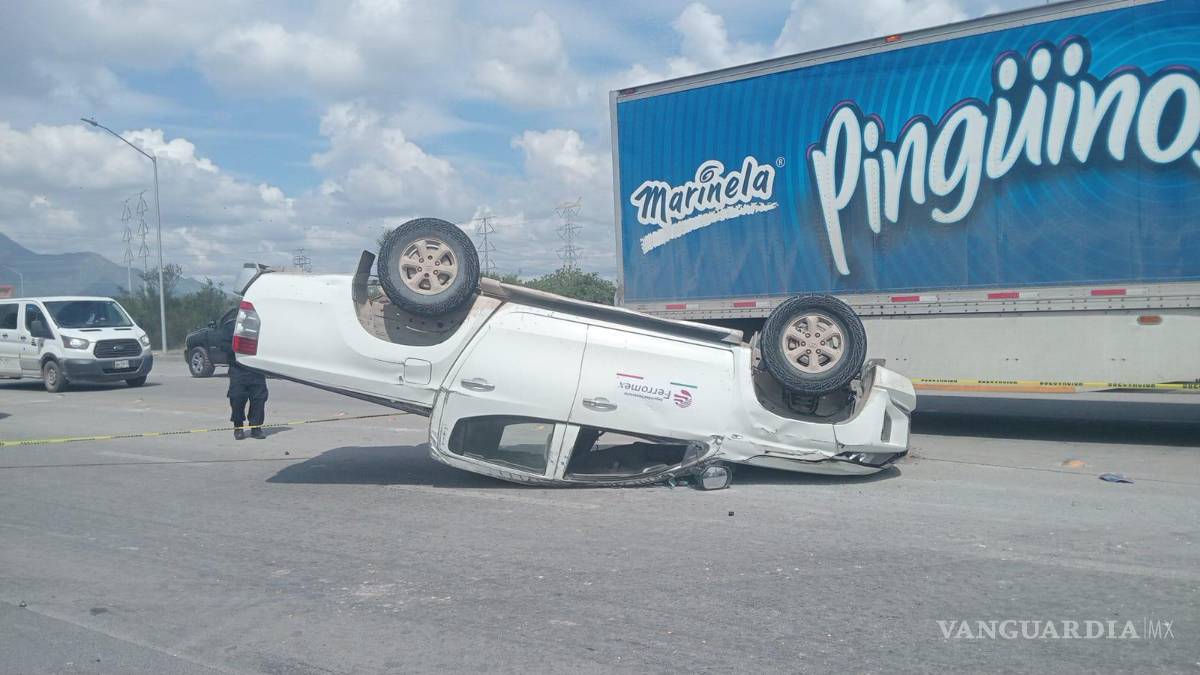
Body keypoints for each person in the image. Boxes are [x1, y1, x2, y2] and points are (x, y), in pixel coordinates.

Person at [221, 312, 268, 440]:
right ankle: (238, 427)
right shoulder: (231, 326)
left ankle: (256, 428)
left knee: (259, 399)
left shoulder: (261, 326)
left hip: (256, 369)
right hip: (238, 368)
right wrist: (239, 348)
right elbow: (223, 345)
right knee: (237, 398)